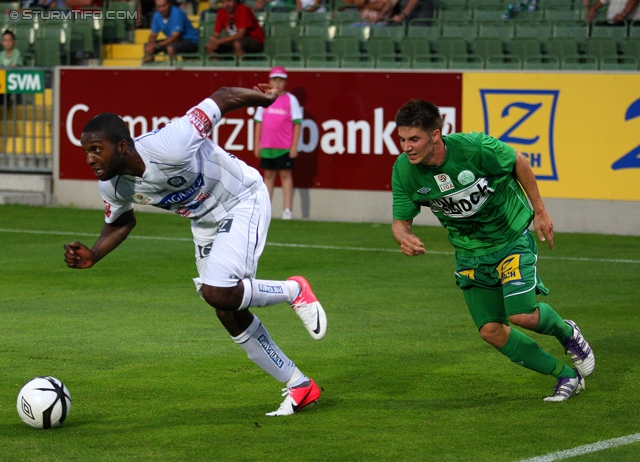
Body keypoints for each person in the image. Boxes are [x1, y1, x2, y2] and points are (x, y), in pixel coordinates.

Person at [63, 84, 328, 416]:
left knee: (219, 291)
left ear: (121, 146)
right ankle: (299, 385)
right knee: (226, 309)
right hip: (204, 221)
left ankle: (293, 290)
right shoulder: (112, 183)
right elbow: (121, 221)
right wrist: (95, 254)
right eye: (86, 150)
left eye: (96, 149)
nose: (90, 159)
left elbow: (222, 97)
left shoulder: (171, 144)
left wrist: (263, 99)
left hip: (241, 199)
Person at [391, 99, 595, 402]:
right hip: (470, 253)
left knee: (522, 316)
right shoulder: (405, 171)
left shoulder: (474, 147)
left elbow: (518, 161)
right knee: (491, 331)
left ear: (435, 135)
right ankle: (566, 376)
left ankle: (567, 333)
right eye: (402, 139)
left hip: (510, 238)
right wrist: (403, 237)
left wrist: (540, 210)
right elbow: (400, 222)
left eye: (414, 139)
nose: (406, 147)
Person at [254, 67, 302, 220]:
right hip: (267, 145)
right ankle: (266, 209)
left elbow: (297, 123)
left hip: (284, 146)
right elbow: (258, 123)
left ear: (285, 82)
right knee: (268, 175)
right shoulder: (265, 98)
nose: (278, 83)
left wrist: (294, 146)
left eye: (281, 80)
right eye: (275, 80)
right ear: (269, 81)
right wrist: (257, 144)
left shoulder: (291, 100)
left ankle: (287, 209)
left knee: (285, 175)